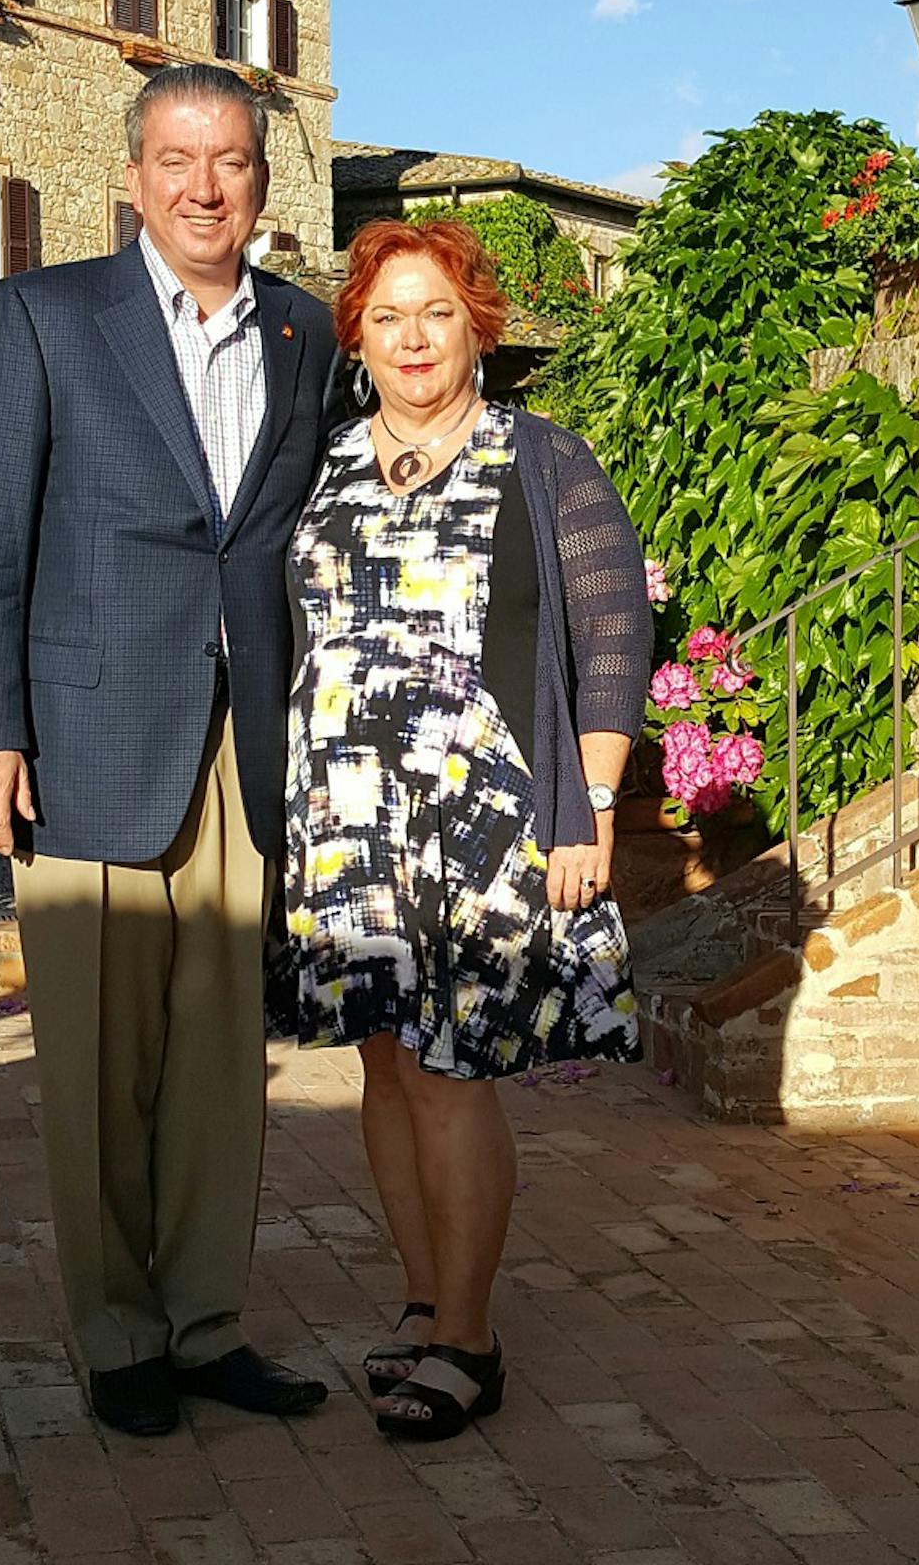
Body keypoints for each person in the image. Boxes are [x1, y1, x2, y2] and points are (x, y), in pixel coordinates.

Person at [0, 64, 337, 1437]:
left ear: (262, 186)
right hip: (85, 734)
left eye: (228, 160)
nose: (202, 185)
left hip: (245, 740)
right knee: (101, 1067)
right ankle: (118, 1335)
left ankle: (206, 1321)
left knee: (222, 1059)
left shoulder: (304, 334)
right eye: (176, 158)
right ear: (132, 175)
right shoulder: (44, 316)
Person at [271, 214, 654, 1441]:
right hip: (343, 812)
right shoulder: (323, 463)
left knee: (448, 1064)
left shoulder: (539, 458)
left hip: (478, 812)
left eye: (435, 309)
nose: (413, 336)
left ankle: (471, 1340)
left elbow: (611, 638)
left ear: (475, 318)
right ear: (359, 337)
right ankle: (426, 1297)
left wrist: (588, 803)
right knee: (383, 1060)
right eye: (387, 317)